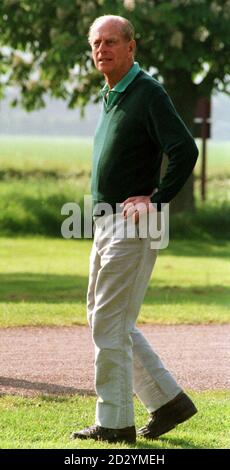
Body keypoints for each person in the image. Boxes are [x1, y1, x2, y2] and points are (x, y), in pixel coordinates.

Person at [71, 15, 198, 444]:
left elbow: (184, 149)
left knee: (109, 323)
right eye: (95, 43)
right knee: (105, 317)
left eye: (110, 42)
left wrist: (156, 200)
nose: (101, 50)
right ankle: (168, 402)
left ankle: (114, 423)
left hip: (133, 224)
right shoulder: (112, 95)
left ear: (131, 47)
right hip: (107, 223)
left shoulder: (147, 93)